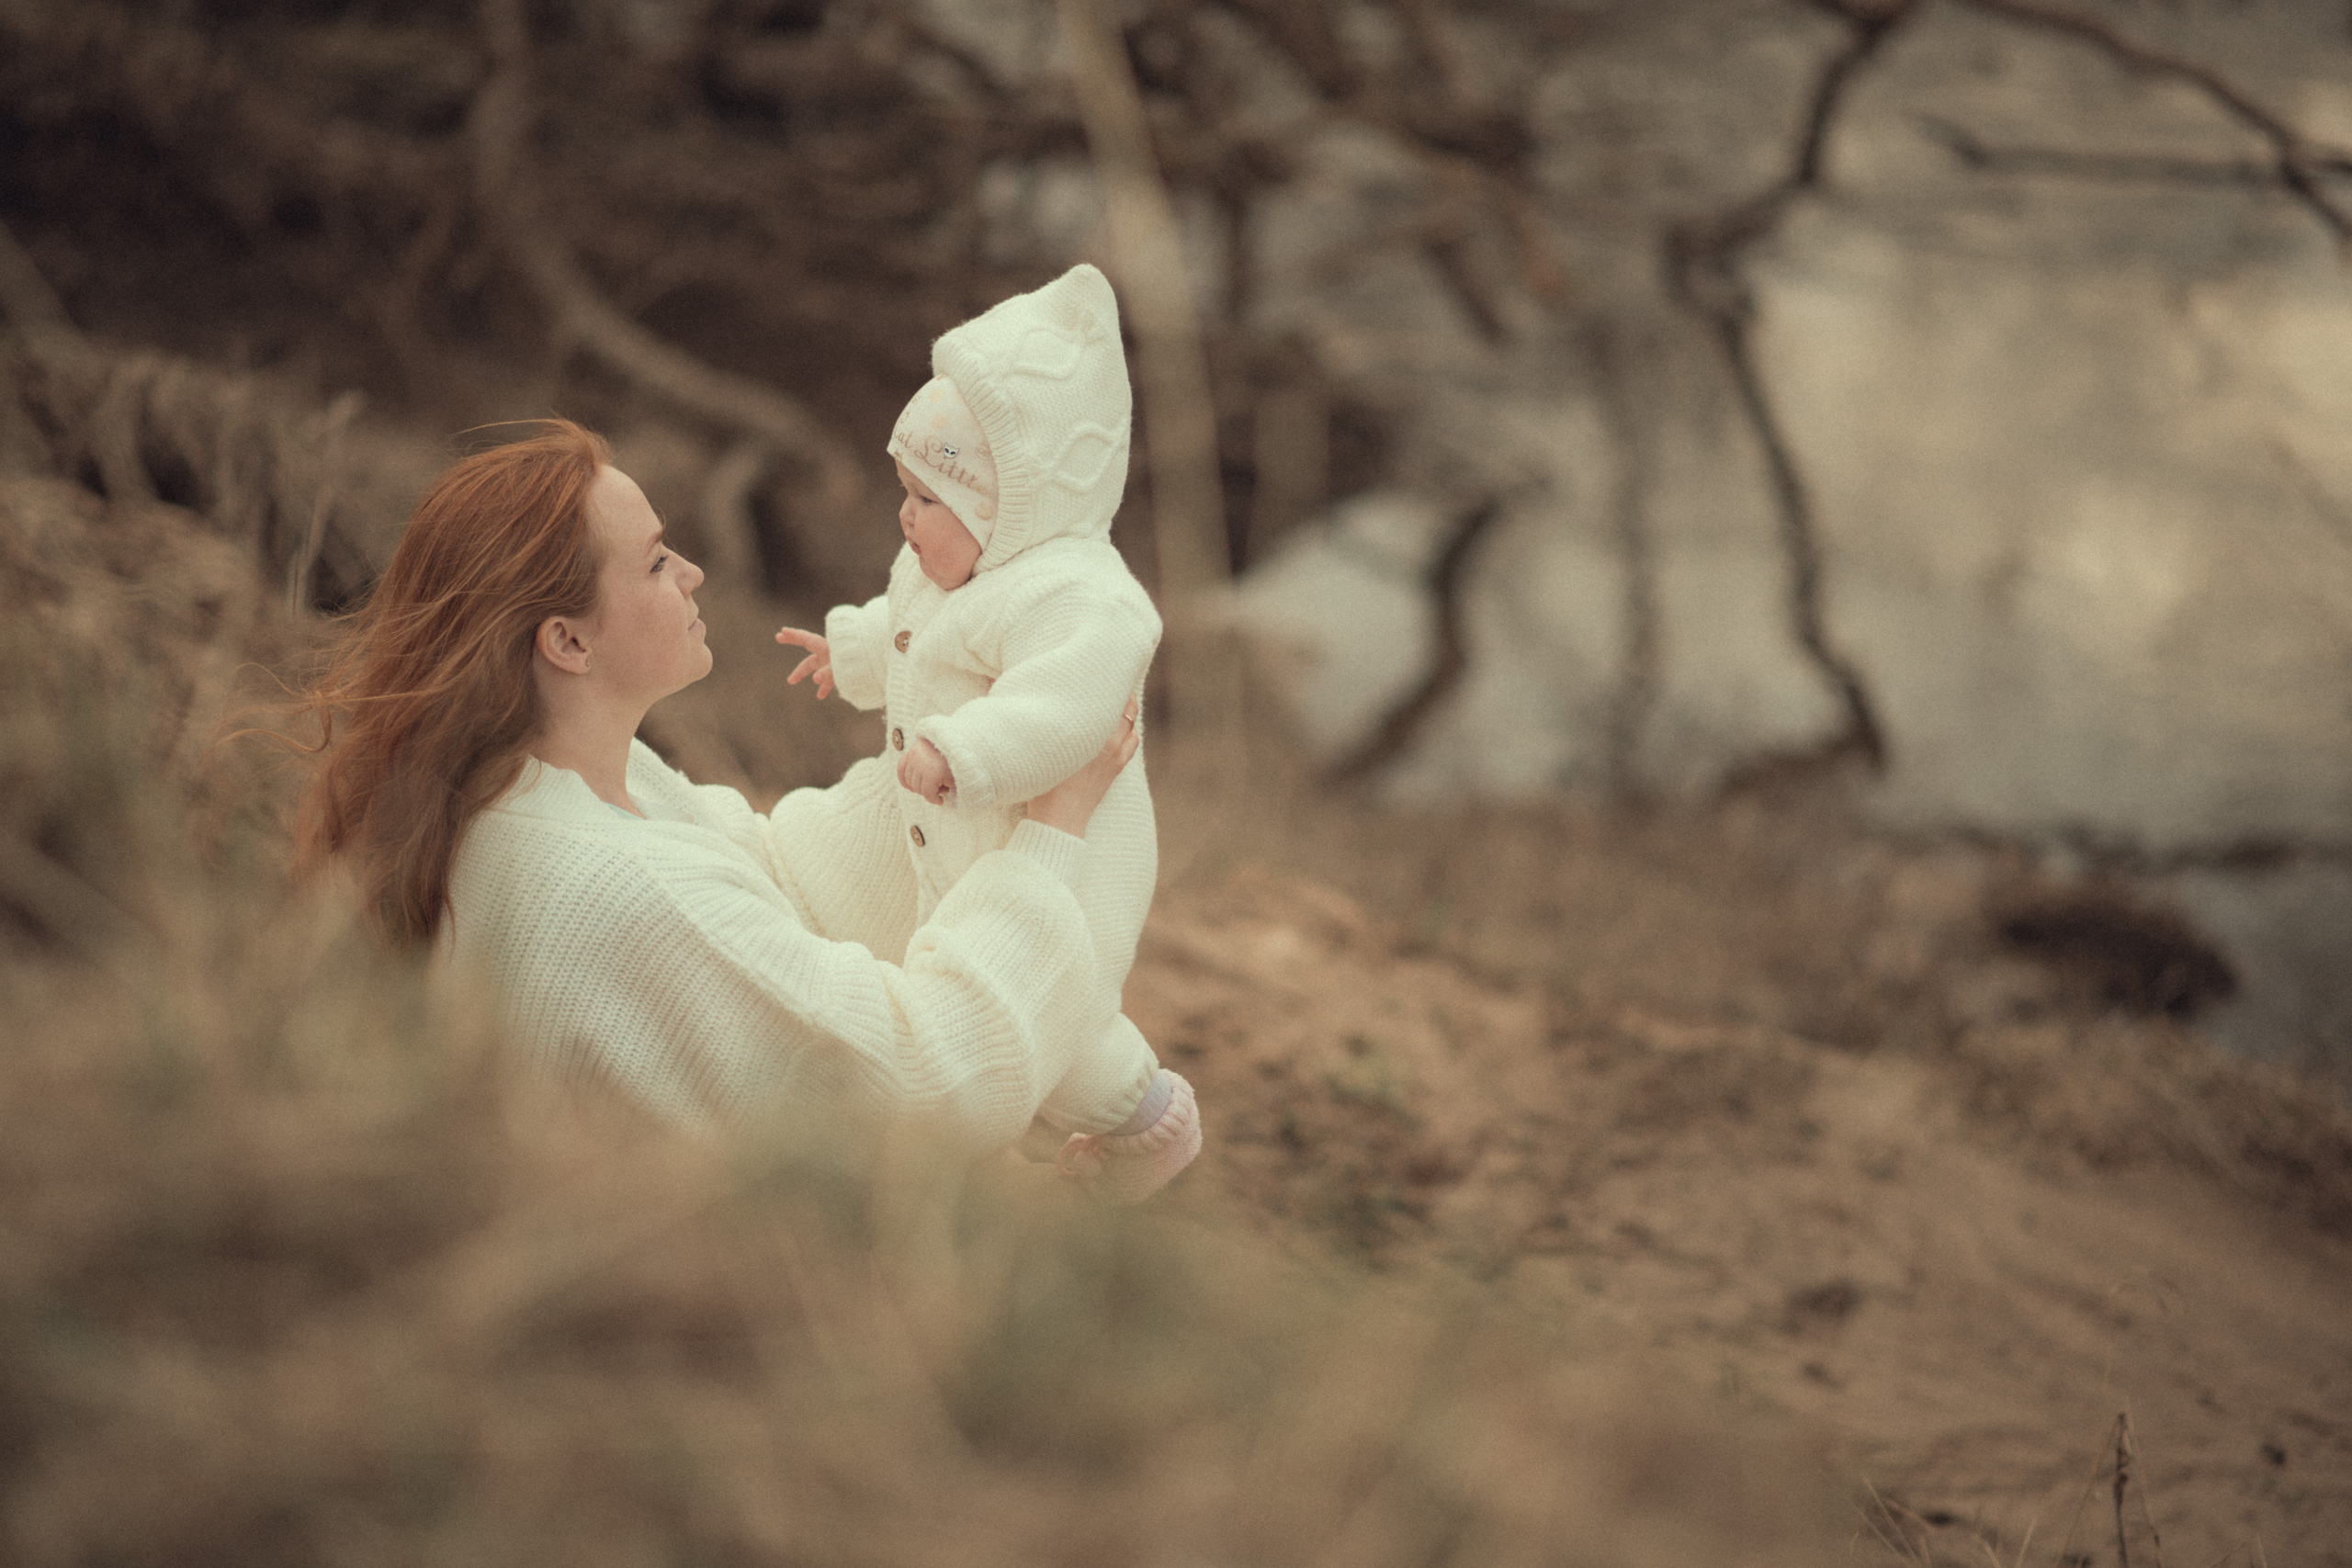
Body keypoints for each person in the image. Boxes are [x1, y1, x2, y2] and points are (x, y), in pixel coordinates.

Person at [291, 418, 1196, 1192]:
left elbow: (773, 881)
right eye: (652, 563)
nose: (690, 572)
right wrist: (1054, 828)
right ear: (565, 640)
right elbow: (924, 1090)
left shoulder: (558, 788)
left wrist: (973, 753)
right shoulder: (616, 887)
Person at [771, 264, 1191, 1190]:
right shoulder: (944, 564)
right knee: (921, 949)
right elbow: (915, 631)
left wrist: (967, 750)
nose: (905, 518)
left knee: (1061, 1028)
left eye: (928, 500)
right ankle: (972, 1133)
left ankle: (1152, 1121)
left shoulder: (1082, 594)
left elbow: (1068, 701)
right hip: (951, 830)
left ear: (1012, 510)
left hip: (1055, 851)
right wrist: (854, 650)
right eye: (904, 491)